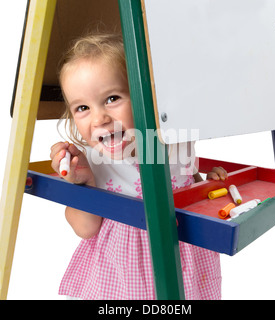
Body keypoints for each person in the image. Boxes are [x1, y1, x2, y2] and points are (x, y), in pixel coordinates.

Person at [50, 32, 228, 299]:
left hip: (184, 266)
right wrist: (82, 183)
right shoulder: (89, 160)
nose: (99, 118)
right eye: (82, 107)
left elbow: (189, 182)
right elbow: (85, 228)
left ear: (148, 96)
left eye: (112, 98)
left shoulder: (177, 141)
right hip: (122, 277)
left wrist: (207, 186)